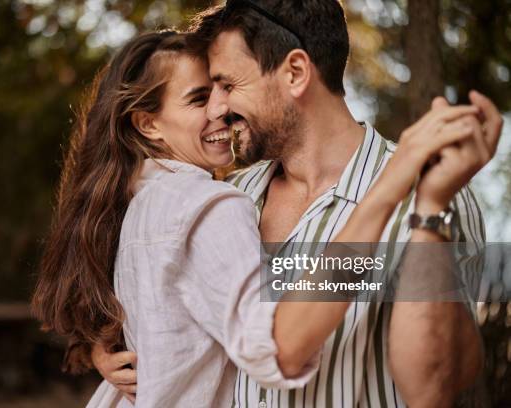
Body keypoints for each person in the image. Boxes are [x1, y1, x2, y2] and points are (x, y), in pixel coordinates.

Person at [93, 1, 504, 407]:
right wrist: (109, 348)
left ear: (295, 72)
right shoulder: (229, 197)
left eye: (228, 86)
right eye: (206, 93)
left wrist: (430, 210)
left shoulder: (430, 196)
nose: (217, 109)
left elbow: (431, 388)